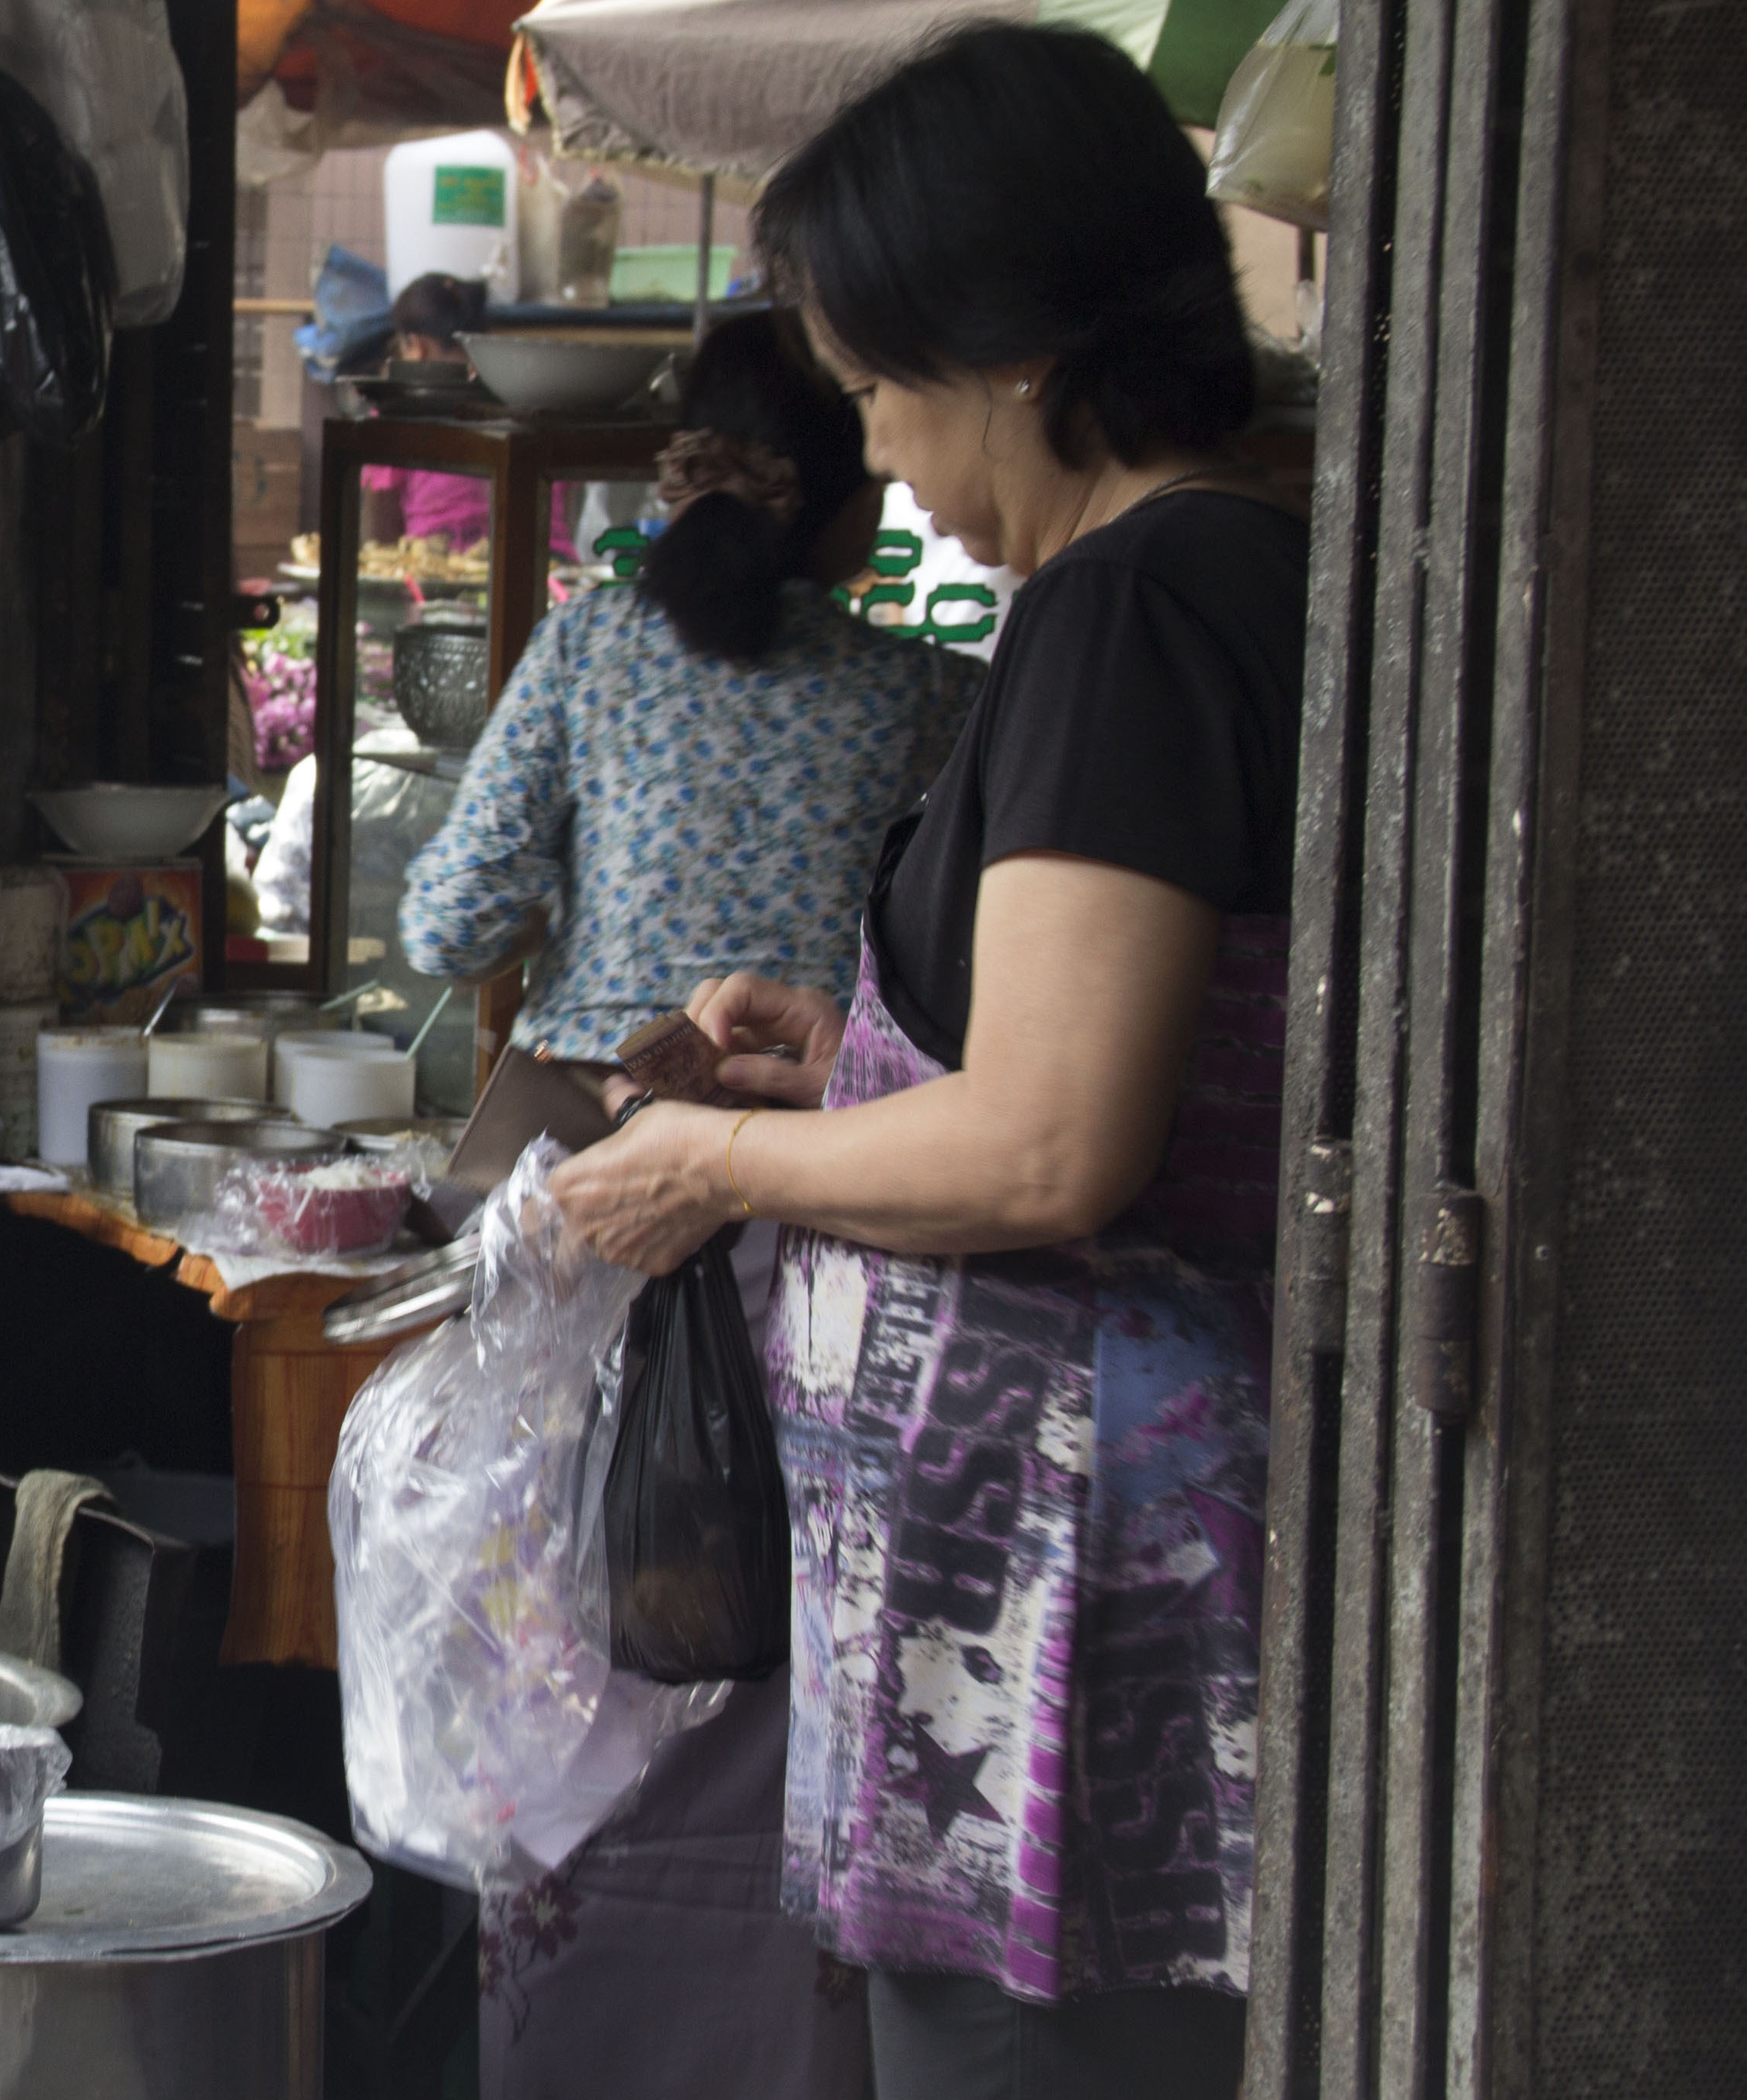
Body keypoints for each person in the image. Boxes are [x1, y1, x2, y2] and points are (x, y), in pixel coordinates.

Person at [544, 27, 1304, 2100]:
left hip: (1067, 1636)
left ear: (1012, 352)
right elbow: (1105, 1059)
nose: (875, 461)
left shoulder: (1128, 613)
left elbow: (1058, 1139)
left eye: (878, 393)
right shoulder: (1199, 587)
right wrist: (851, 1068)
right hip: (1048, 1600)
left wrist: (711, 1166)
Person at [401, 309, 977, 2099]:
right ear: (840, 511)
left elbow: (438, 926)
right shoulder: (912, 691)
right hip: (826, 1240)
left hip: (590, 1229)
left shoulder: (586, 653)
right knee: (771, 1703)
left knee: (572, 1689)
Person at [360, 272, 575, 556]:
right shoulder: (534, 398)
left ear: (417, 347)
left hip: (440, 573)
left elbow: (378, 537)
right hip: (548, 572)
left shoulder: (397, 413)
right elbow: (563, 513)